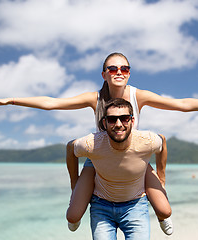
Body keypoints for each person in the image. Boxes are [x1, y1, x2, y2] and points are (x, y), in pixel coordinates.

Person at [0, 52, 198, 235]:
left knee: (164, 209)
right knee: (73, 216)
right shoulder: (93, 97)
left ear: (129, 73)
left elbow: (182, 104)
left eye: (124, 68)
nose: (119, 71)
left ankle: (159, 213)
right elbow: (52, 103)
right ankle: (81, 202)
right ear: (104, 74)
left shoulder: (139, 95)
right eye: (113, 68)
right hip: (100, 160)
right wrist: (11, 100)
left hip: (134, 158)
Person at [67, 98, 166, 240]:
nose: (118, 124)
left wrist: (161, 177)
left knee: (165, 211)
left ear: (132, 121)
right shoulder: (91, 143)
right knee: (72, 215)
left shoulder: (147, 140)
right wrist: (74, 184)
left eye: (124, 118)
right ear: (104, 123)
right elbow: (70, 147)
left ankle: (163, 218)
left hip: (135, 204)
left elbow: (162, 141)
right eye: (112, 120)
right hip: (101, 205)